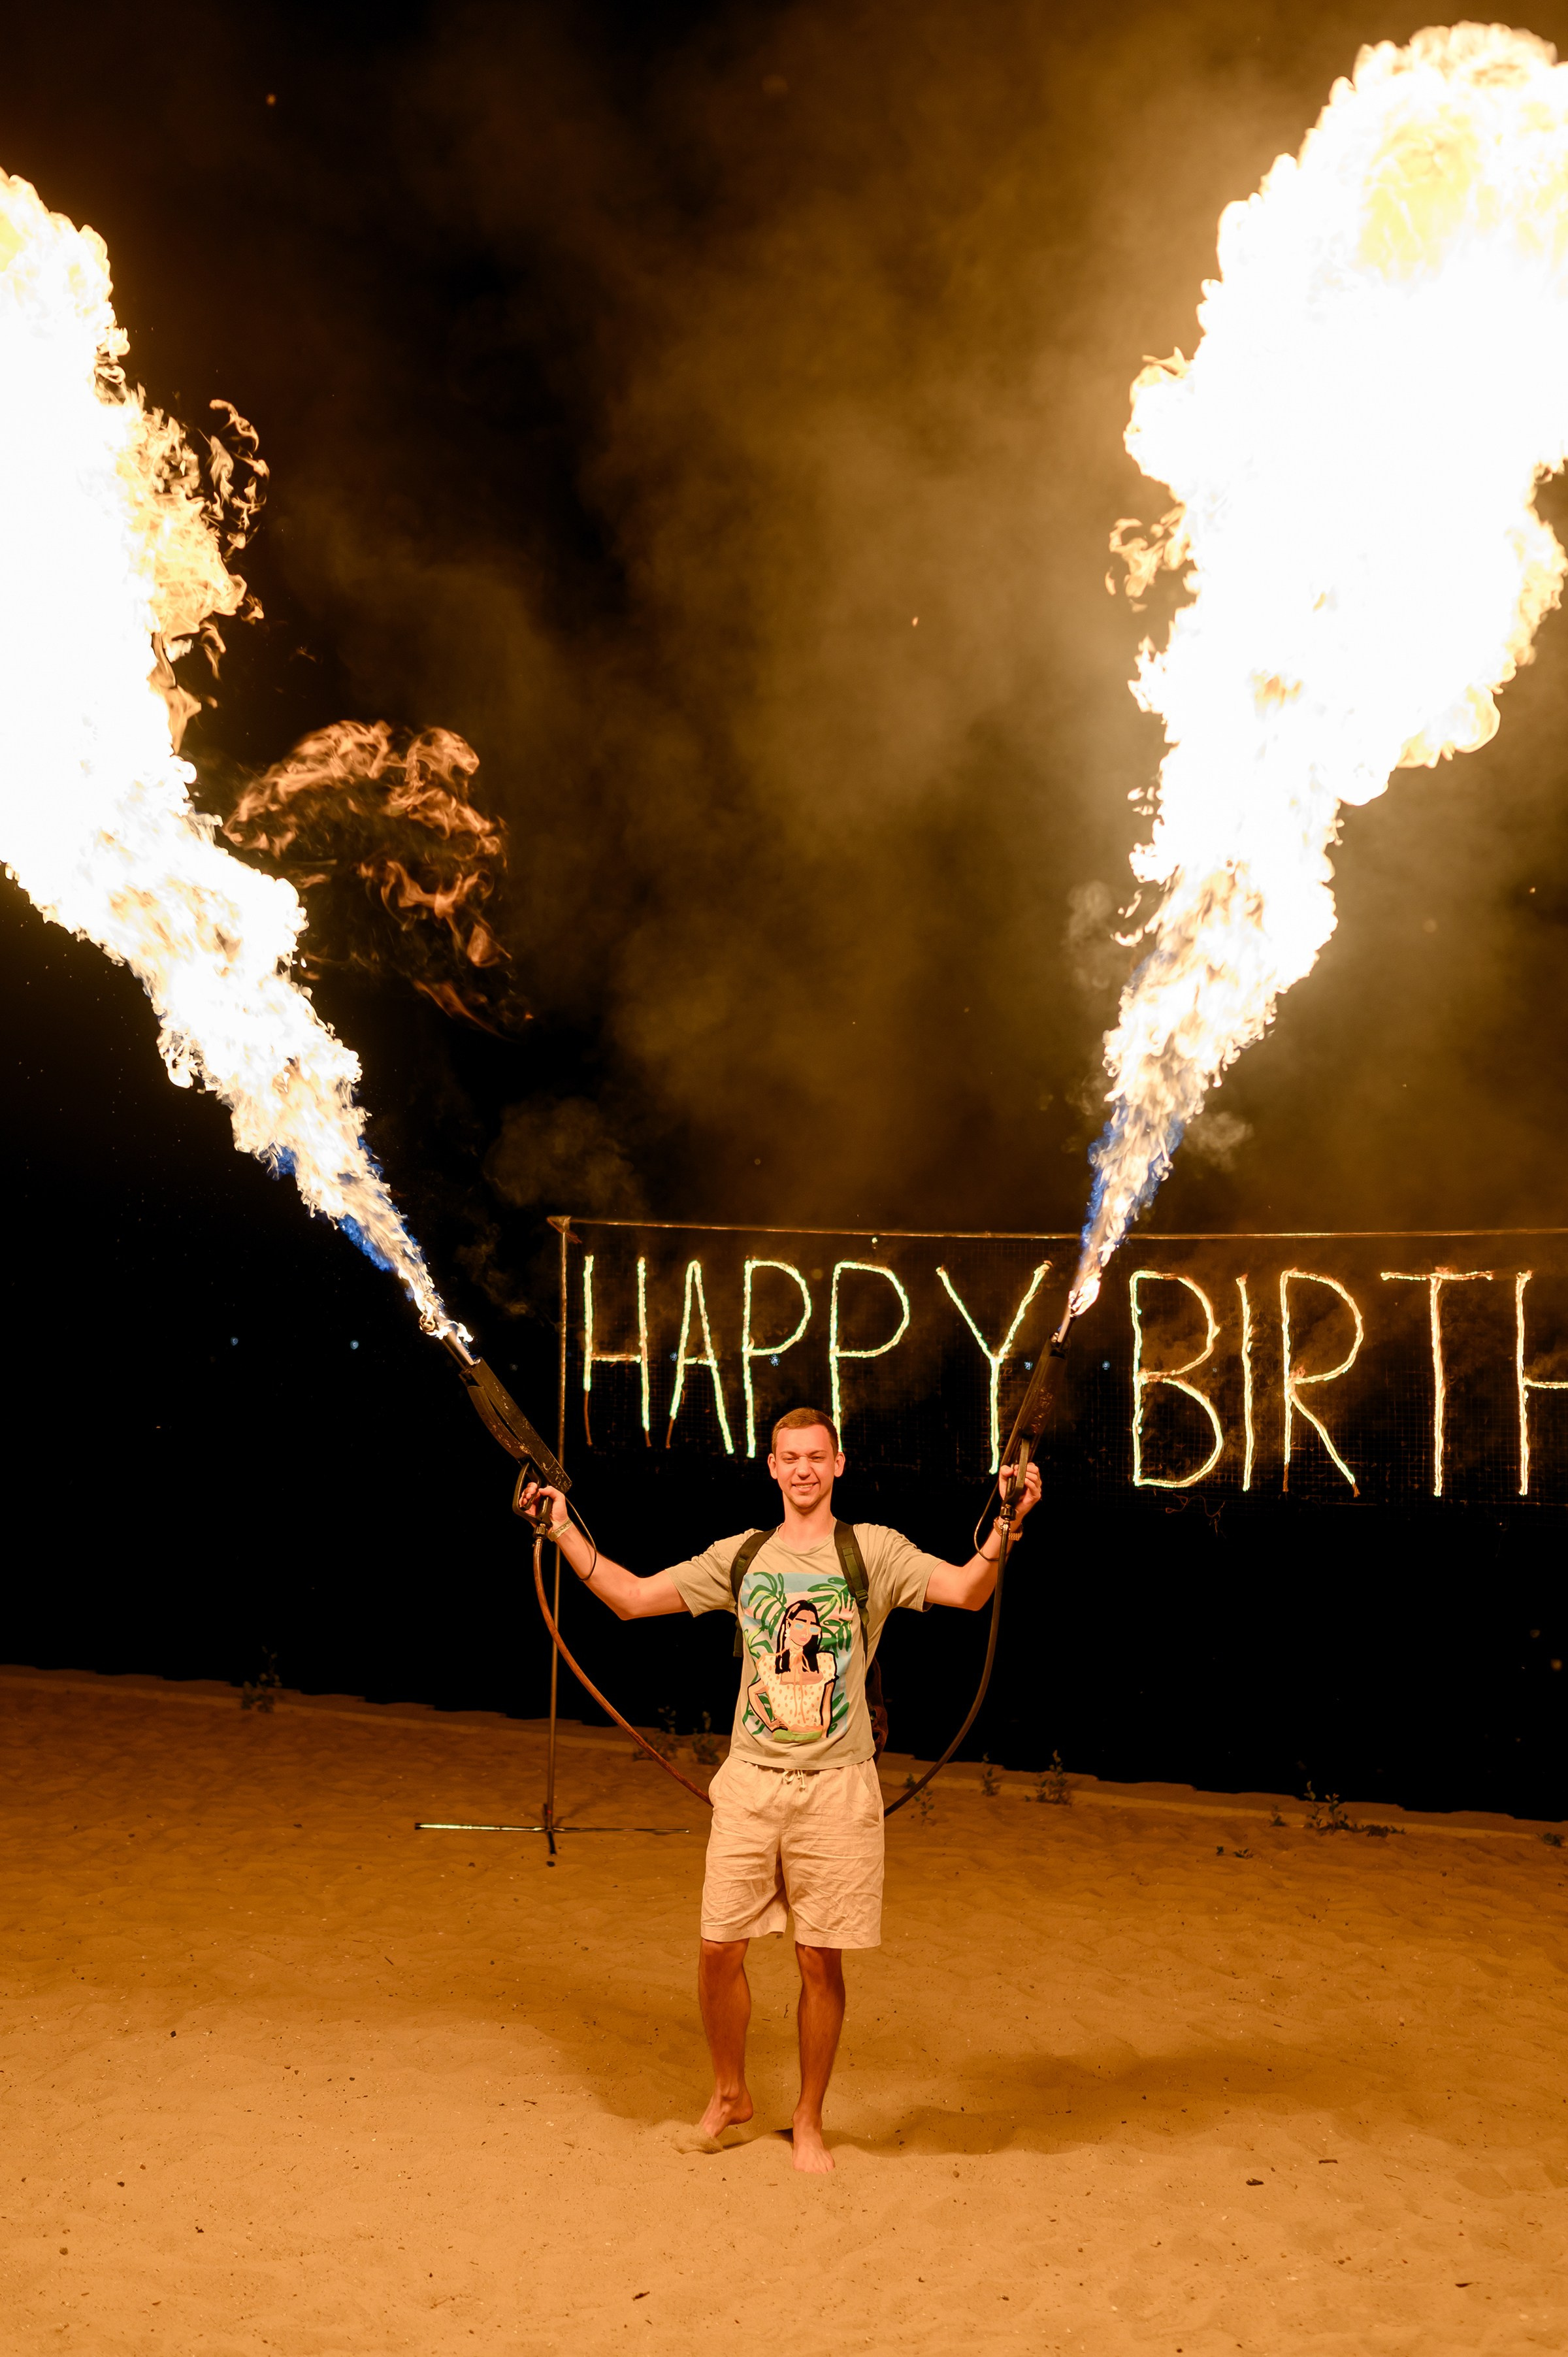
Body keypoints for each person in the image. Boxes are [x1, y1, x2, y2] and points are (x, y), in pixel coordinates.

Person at [519, 1404, 1041, 2174]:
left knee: (818, 1960)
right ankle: (731, 2092)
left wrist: (1007, 1520)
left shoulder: (874, 1551)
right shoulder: (744, 1558)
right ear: (771, 1466)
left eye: (815, 1456)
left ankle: (808, 2118)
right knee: (715, 1948)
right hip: (752, 1784)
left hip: (838, 1789)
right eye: (787, 1456)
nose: (801, 1468)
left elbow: (967, 1591)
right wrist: (561, 1527)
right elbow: (630, 1597)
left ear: (837, 1465)